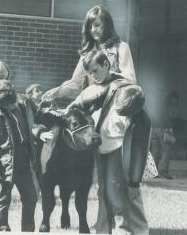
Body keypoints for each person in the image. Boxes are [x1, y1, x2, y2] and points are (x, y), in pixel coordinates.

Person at [68, 50, 149, 235]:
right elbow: (74, 106)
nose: (93, 76)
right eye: (89, 73)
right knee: (103, 192)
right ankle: (104, 230)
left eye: (96, 70)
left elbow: (139, 124)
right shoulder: (92, 89)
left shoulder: (125, 86)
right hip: (100, 148)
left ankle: (125, 230)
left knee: (118, 194)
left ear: (106, 64)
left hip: (118, 149)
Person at [0, 59, 52, 232]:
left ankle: (27, 229)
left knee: (31, 197)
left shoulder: (23, 103)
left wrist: (41, 130)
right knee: (3, 197)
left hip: (25, 160)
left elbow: (35, 120)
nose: (13, 106)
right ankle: (2, 227)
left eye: (6, 78)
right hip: (5, 164)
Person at [42, 5, 136, 105]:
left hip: (114, 104)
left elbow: (130, 79)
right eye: (89, 27)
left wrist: (107, 77)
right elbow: (76, 84)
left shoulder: (121, 47)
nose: (93, 30)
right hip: (92, 105)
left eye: (97, 25)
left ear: (107, 24)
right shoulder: (86, 54)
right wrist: (56, 93)